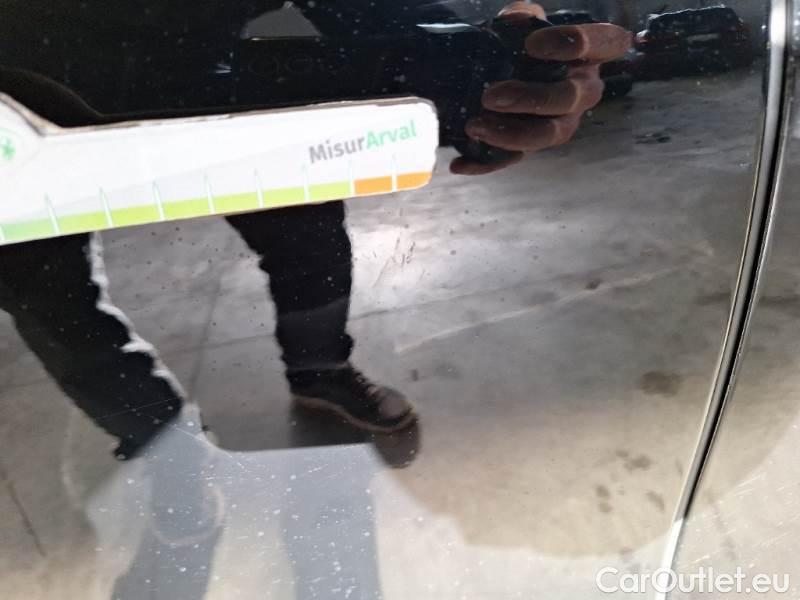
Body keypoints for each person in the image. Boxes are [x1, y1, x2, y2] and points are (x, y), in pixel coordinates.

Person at [0, 1, 630, 448]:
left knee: (311, 243)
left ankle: (320, 371)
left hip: (206, 91)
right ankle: (166, 449)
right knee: (50, 303)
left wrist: (467, 53)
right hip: (12, 120)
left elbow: (369, 11)